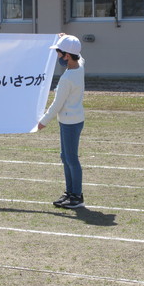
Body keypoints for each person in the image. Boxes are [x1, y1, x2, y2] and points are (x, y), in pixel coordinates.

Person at [38, 35, 85, 209]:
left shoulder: (67, 79)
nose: (57, 55)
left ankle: (77, 196)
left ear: (66, 55)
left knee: (71, 159)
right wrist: (65, 38)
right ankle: (70, 192)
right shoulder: (79, 66)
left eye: (59, 52)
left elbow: (56, 104)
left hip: (70, 122)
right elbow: (81, 55)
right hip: (71, 120)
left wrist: (43, 122)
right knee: (65, 157)